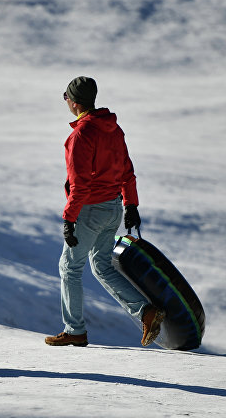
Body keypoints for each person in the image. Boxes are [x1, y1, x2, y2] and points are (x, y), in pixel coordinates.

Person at [46, 76, 165, 348]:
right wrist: (130, 205)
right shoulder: (114, 129)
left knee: (70, 268)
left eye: (65, 97)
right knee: (101, 266)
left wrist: (69, 219)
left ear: (74, 102)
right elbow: (127, 170)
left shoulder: (80, 135)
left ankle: (74, 330)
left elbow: (80, 185)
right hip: (112, 207)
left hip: (90, 210)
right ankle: (146, 312)